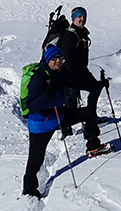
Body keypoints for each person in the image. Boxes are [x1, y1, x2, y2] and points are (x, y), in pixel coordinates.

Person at [22, 45, 84, 198]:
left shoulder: (61, 73)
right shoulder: (39, 78)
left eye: (61, 58)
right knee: (36, 158)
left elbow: (77, 82)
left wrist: (97, 85)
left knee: (87, 113)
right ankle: (29, 189)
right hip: (40, 124)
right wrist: (46, 95)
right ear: (48, 59)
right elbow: (32, 106)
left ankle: (93, 146)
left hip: (57, 117)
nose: (58, 61)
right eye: (55, 58)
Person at [55, 6, 110, 156]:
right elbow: (68, 60)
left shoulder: (82, 32)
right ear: (73, 18)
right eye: (79, 16)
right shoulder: (70, 35)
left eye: (83, 16)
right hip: (70, 74)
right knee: (78, 96)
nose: (82, 19)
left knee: (96, 88)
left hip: (80, 72)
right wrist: (78, 76)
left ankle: (89, 116)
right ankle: (68, 124)